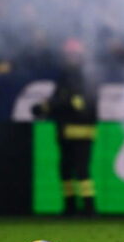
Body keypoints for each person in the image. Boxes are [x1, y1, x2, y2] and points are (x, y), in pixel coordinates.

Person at [35, 38, 98, 216]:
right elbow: (60, 100)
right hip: (65, 132)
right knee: (65, 170)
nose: (70, 58)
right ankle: (70, 206)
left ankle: (89, 208)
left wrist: (50, 106)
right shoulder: (65, 76)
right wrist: (45, 107)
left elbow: (75, 102)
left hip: (82, 133)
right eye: (68, 55)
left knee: (82, 170)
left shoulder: (85, 76)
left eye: (73, 54)